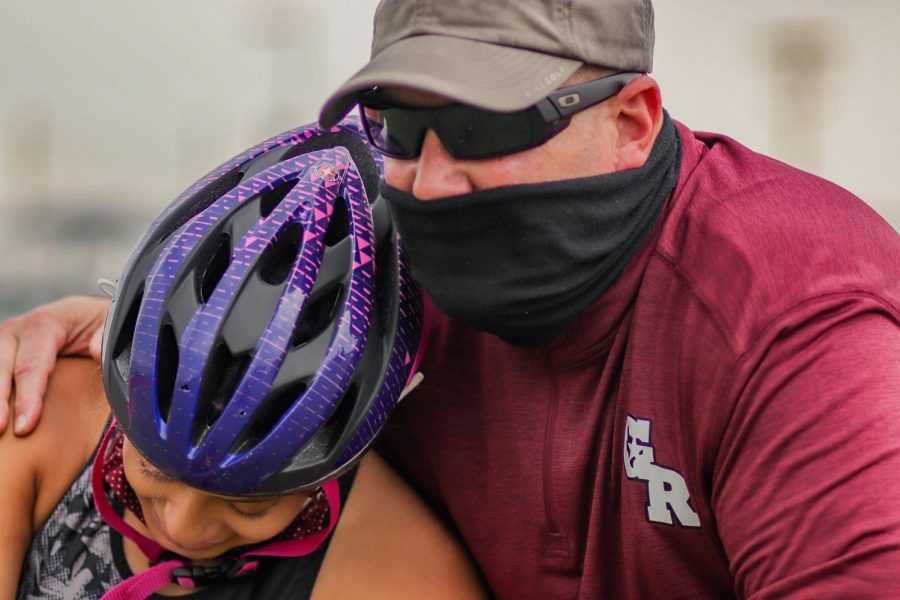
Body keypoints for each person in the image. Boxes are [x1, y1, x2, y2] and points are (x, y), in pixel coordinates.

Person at [3, 0, 900, 597]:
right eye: (400, 123)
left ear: (631, 121)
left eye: (482, 126)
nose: (432, 177)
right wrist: (136, 331)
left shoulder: (794, 322)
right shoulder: (375, 236)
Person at [0, 120, 485, 599]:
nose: (182, 527)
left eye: (248, 506)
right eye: (150, 467)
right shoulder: (33, 413)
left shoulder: (401, 578)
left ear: (337, 465)